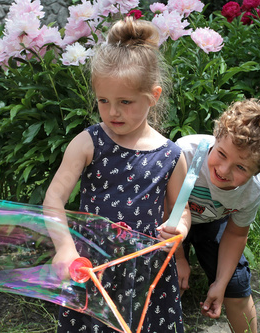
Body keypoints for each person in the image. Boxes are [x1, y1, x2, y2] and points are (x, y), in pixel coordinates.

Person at [43, 17, 191, 333]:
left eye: (125, 102)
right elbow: (54, 198)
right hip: (95, 268)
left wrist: (178, 229)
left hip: (147, 274)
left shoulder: (171, 155)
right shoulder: (88, 143)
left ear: (153, 96)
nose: (113, 112)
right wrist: (65, 247)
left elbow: (183, 210)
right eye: (104, 101)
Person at [174, 98, 260, 333]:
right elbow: (170, 207)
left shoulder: (252, 191)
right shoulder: (185, 153)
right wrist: (178, 259)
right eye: (222, 154)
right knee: (166, 278)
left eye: (241, 167)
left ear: (259, 170)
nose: (224, 170)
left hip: (213, 222)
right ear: (216, 138)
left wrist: (221, 282)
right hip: (172, 219)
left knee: (235, 286)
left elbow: (236, 234)